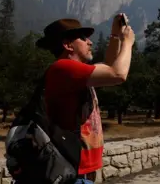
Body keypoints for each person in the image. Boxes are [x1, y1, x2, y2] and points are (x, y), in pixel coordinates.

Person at [35, 14, 134, 184]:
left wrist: (115, 35)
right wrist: (127, 42)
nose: (90, 42)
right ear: (67, 45)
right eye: (83, 38)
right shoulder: (62, 68)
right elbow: (118, 74)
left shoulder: (76, 72)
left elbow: (110, 65)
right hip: (70, 167)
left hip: (79, 167)